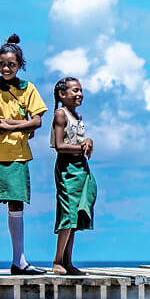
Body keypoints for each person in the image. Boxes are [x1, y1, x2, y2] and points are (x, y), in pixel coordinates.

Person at [0, 34, 48, 275]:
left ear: (20, 65)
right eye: (2, 63)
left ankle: (19, 261)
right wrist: (21, 124)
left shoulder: (29, 88)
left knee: (17, 206)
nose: (6, 68)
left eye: (11, 64)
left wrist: (9, 125)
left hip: (18, 155)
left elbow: (38, 121)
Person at [49, 76, 96, 275]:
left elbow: (81, 139)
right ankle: (57, 260)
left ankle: (68, 261)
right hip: (68, 169)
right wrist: (80, 147)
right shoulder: (61, 114)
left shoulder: (78, 116)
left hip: (81, 168)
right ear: (62, 94)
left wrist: (89, 141)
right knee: (67, 215)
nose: (79, 94)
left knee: (76, 215)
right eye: (74, 90)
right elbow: (59, 146)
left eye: (80, 90)